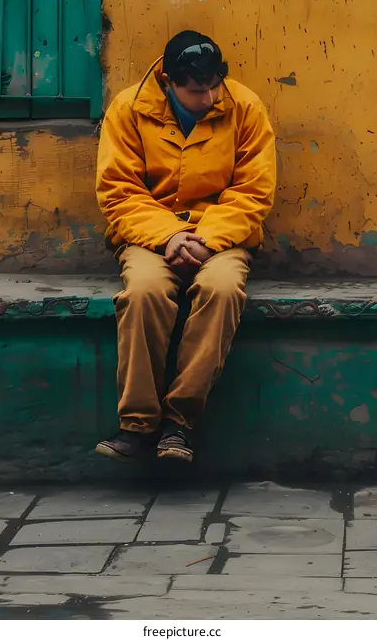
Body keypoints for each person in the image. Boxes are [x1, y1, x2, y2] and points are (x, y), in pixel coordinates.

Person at [94, 30, 276, 463]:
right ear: (169, 82)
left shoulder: (245, 106)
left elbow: (254, 191)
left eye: (215, 85)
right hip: (149, 236)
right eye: (198, 90)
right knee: (142, 294)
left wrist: (207, 238)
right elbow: (119, 190)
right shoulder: (128, 109)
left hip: (222, 237)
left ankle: (180, 424)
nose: (211, 97)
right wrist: (168, 236)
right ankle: (137, 425)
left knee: (223, 291)